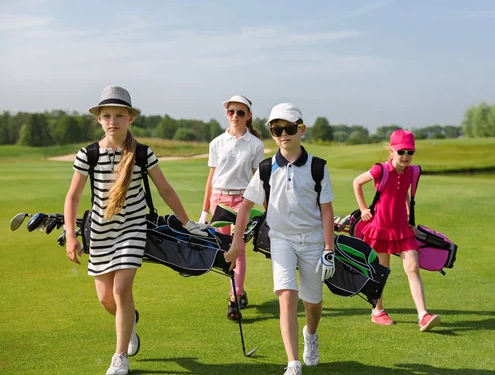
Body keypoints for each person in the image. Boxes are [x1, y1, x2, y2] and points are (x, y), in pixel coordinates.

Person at [64, 85, 208, 375]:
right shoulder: (88, 154)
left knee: (120, 289)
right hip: (101, 233)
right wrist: (71, 234)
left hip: (132, 230)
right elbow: (73, 197)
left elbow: (164, 188)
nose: (113, 121)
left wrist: (187, 221)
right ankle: (128, 327)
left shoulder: (142, 153)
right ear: (99, 120)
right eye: (107, 116)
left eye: (119, 115)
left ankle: (120, 358)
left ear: (130, 118)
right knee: (106, 300)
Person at [225, 103, 336, 375]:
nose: (283, 134)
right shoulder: (266, 168)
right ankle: (293, 362)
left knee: (313, 303)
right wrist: (236, 242)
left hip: (312, 240)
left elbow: (326, 209)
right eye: (276, 130)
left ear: (301, 129)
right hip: (281, 239)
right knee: (287, 296)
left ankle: (310, 335)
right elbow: (246, 206)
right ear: (271, 133)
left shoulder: (318, 167)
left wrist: (328, 247)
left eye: (288, 128)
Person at [352, 129, 441, 331]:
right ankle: (378, 311)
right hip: (380, 228)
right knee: (381, 272)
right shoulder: (380, 170)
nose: (406, 156)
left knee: (412, 267)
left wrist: (410, 217)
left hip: (402, 229)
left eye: (410, 152)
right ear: (391, 151)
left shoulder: (412, 172)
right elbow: (357, 182)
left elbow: (405, 194)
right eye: (401, 152)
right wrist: (364, 208)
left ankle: (423, 315)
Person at [199, 95, 265, 320]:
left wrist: (267, 208)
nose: (235, 116)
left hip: (242, 201)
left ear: (248, 116)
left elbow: (259, 179)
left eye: (240, 112)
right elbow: (211, 178)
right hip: (219, 198)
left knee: (239, 250)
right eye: (231, 112)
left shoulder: (255, 144)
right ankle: (239, 291)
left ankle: (234, 299)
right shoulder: (217, 142)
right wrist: (204, 211)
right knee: (224, 249)